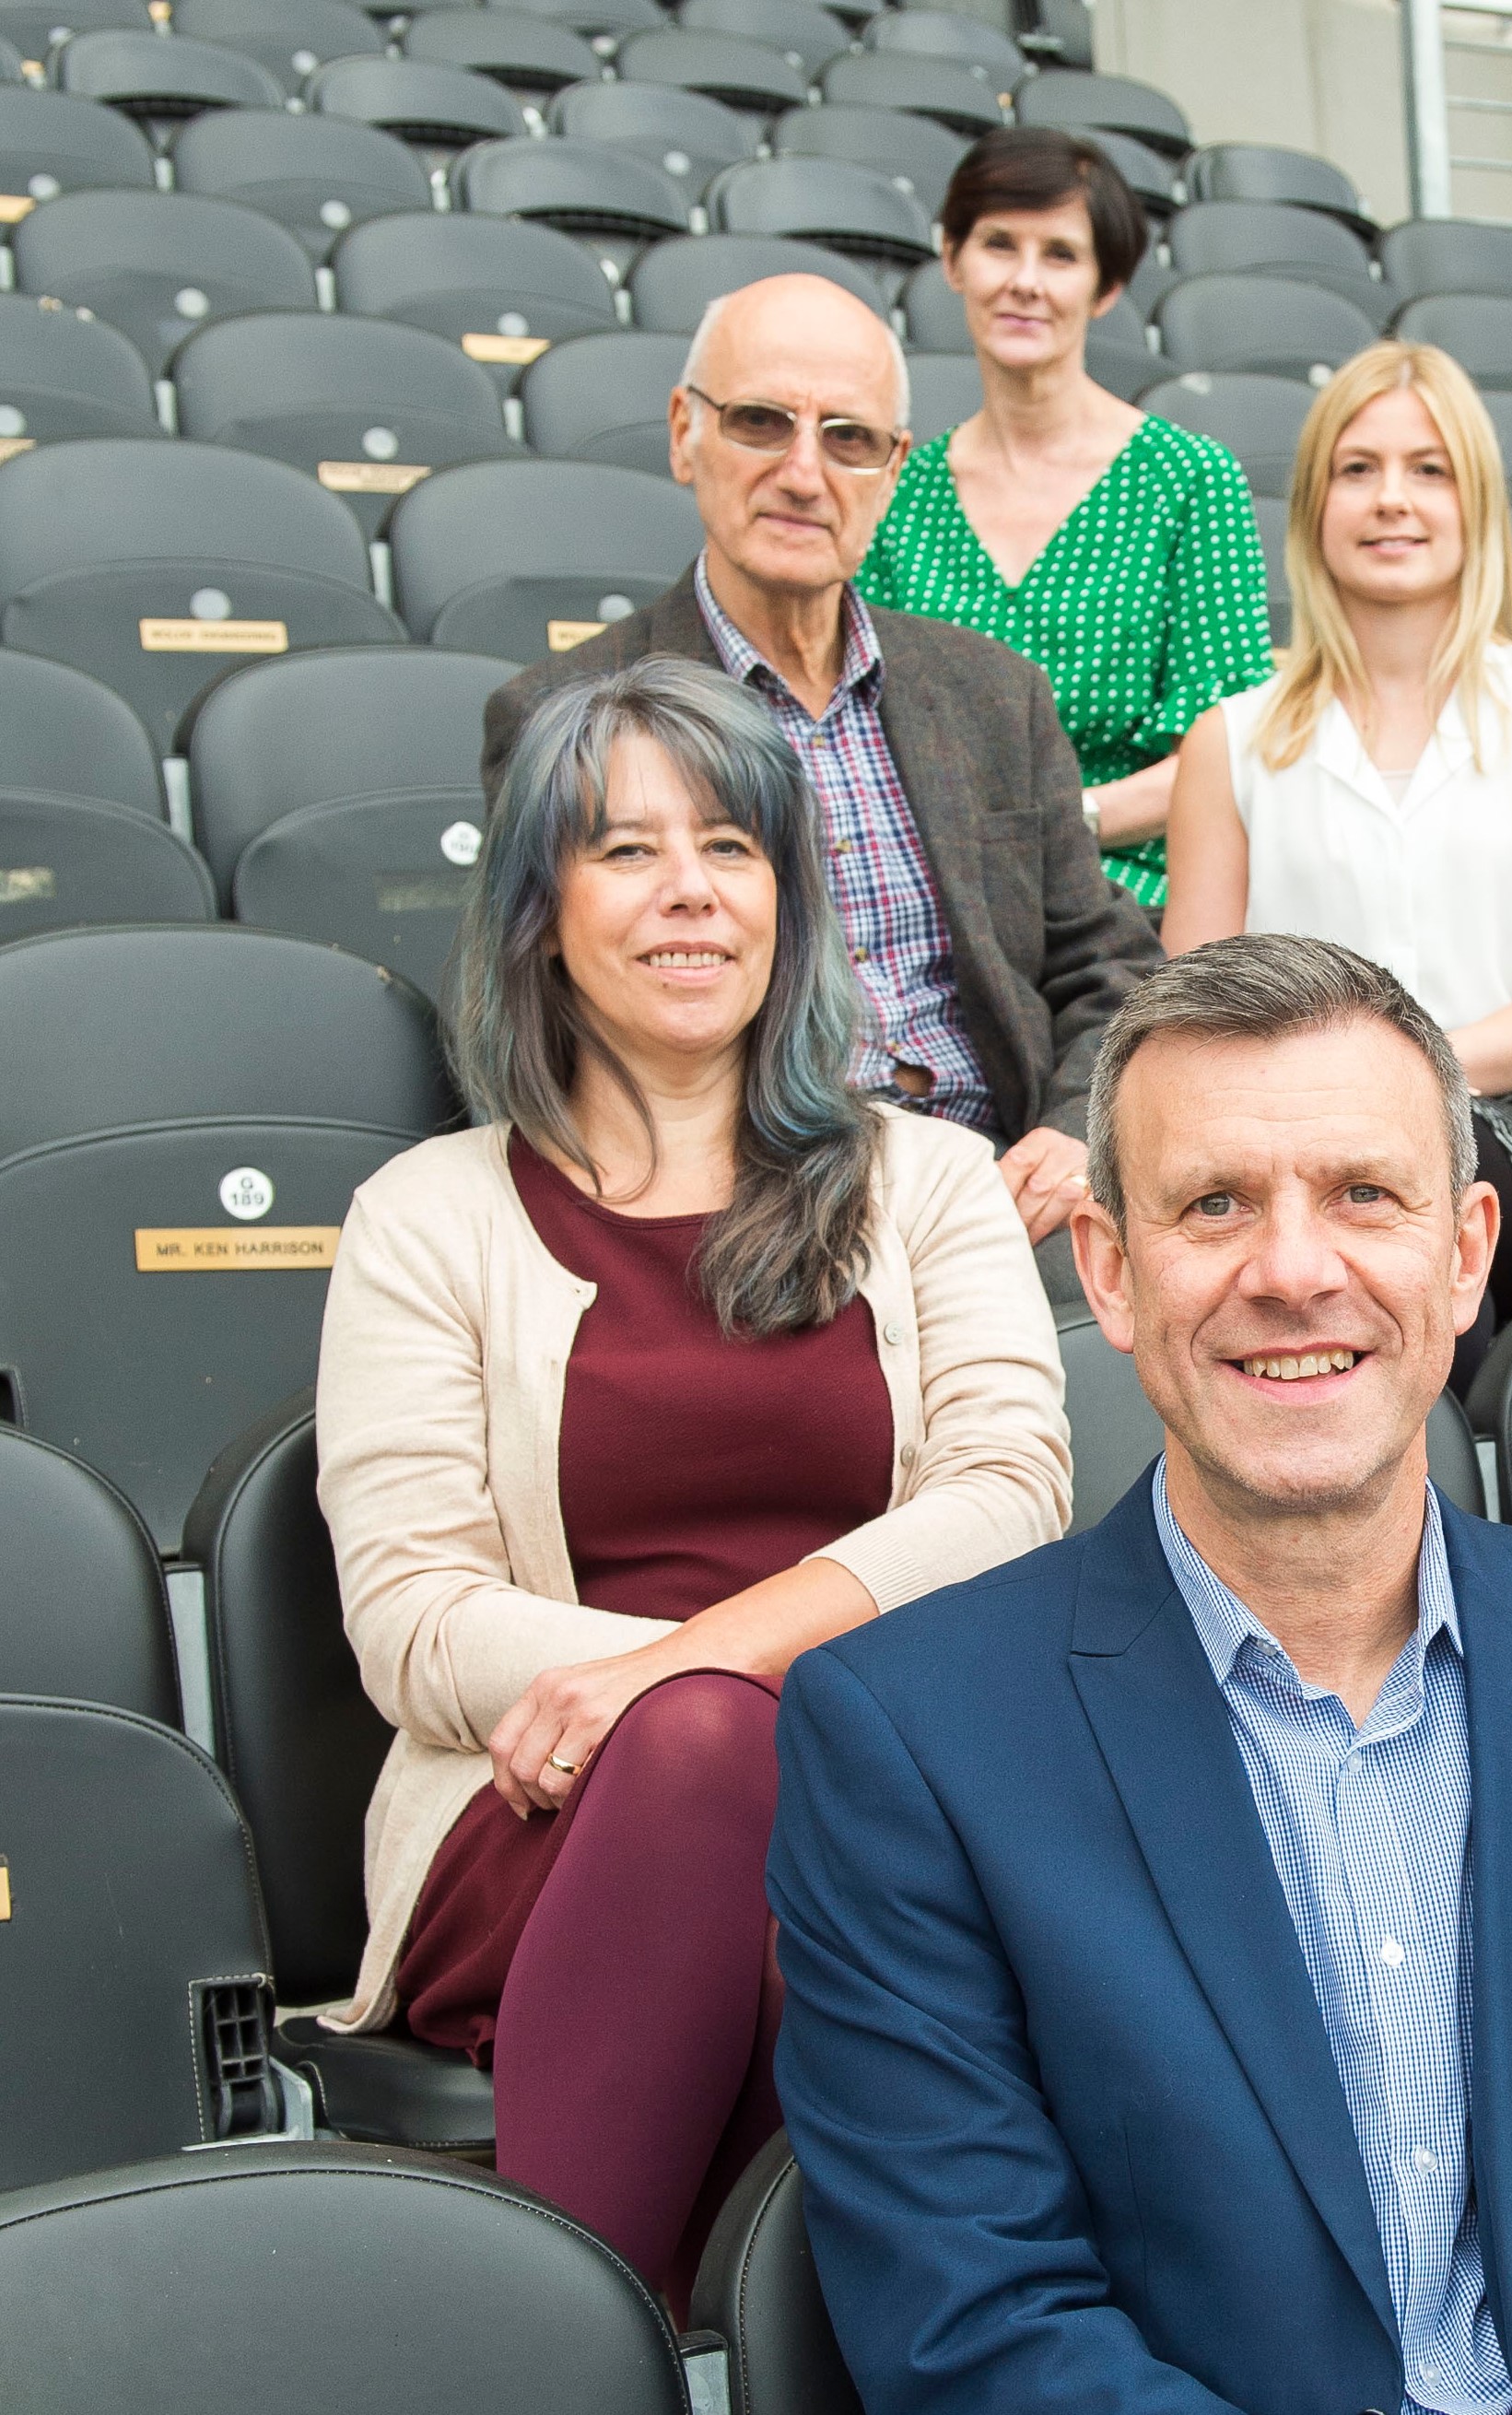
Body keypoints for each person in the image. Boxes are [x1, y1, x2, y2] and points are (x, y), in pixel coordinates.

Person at [765, 933, 1512, 2415]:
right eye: (1215, 1204)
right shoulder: (906, 1741)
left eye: (1363, 1194)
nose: (1295, 1271)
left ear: (1467, 1252)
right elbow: (975, 2322)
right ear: (1110, 1271)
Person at [322, 659, 1072, 2309]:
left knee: (776, 1795)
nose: (689, 893)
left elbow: (1012, 1495)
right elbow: (413, 1619)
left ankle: (578, 2339)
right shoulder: (423, 1218)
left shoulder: (929, 1180)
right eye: (624, 850)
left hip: (867, 1787)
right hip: (535, 1814)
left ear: (792, 902)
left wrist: (676, 1666)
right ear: (537, 911)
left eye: (732, 847)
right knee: (725, 1768)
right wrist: (672, 1711)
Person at [485, 271, 1156, 1296]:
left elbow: (1102, 962)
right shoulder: (567, 712)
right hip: (750, 1202)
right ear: (683, 434)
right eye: (762, 422)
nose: (805, 472)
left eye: (849, 439)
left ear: (893, 472)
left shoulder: (990, 693)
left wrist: (1075, 1134)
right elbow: (544, 1026)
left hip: (1006, 1196)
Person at [1164, 343, 1512, 1373]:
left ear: (1475, 503)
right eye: (1357, 468)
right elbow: (1189, 1013)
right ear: (1315, 509)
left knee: (1406, 1213)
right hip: (1275, 1134)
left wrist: (1399, 1085)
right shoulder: (1230, 741)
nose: (1392, 500)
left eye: (1429, 469)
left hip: (1511, 1127)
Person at [859, 126, 1275, 910]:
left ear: (1104, 286)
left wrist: (1055, 825)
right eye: (998, 244)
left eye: (1059, 254)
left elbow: (1230, 751)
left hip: (1133, 899)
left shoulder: (1190, 479)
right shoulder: (896, 488)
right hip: (938, 894)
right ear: (951, 259)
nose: (1025, 280)